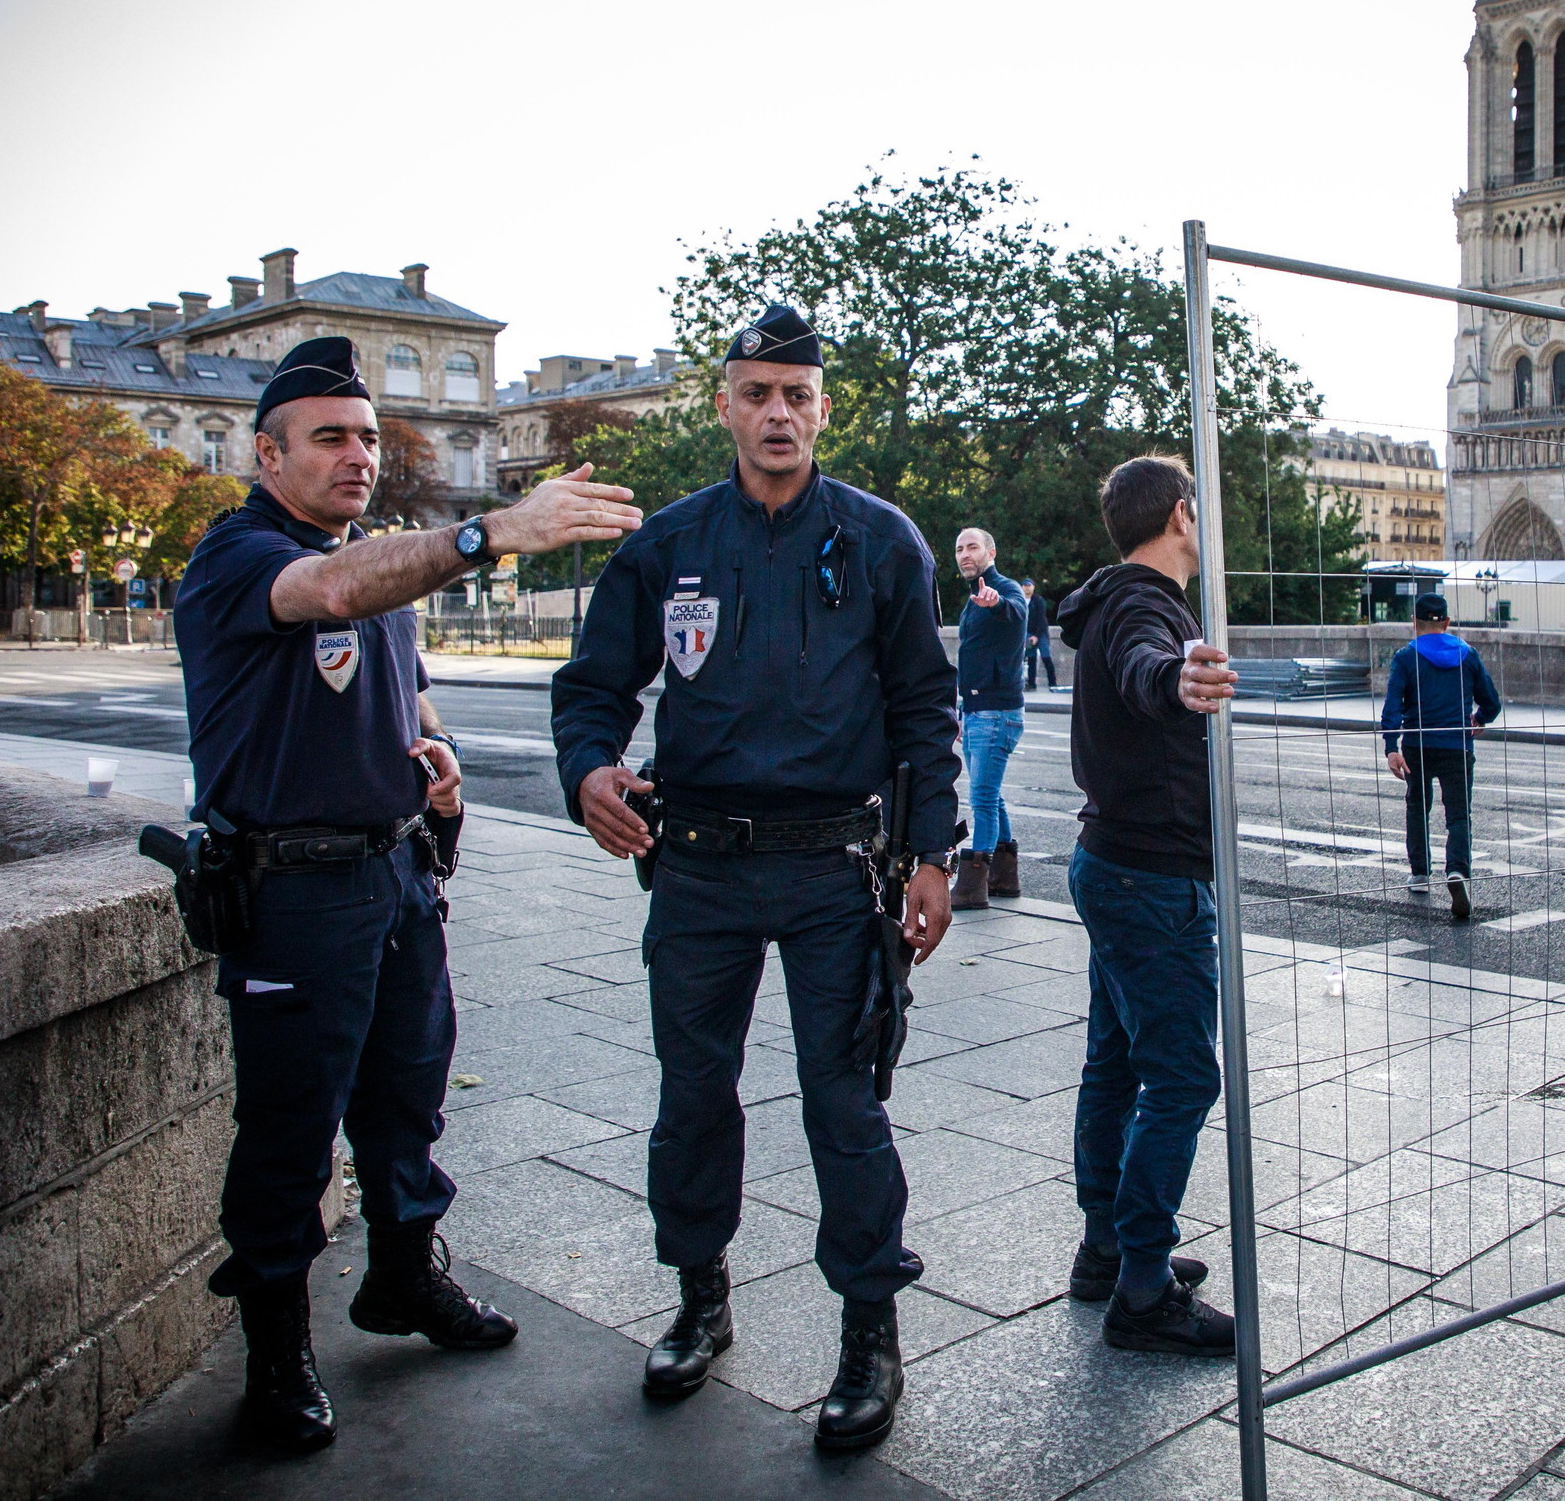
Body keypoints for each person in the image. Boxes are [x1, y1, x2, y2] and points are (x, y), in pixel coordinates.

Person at [175, 334, 642, 1453]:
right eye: (331, 436)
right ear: (267, 450)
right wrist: (486, 533)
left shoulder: (381, 562)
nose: (359, 456)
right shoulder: (240, 555)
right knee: (289, 1128)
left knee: (406, 1099)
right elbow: (328, 591)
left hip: (393, 875)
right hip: (291, 890)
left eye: (371, 437)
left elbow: (401, 683)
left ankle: (402, 1278)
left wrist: (433, 755)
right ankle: (277, 1351)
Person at [550, 302, 959, 1451]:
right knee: (692, 1094)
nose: (777, 412)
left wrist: (934, 851)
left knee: (845, 1102)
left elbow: (928, 707)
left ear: (824, 408)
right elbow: (591, 688)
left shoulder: (882, 540)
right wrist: (587, 770)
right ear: (724, 403)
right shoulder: (669, 544)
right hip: (698, 868)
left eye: (797, 394)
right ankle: (698, 1298)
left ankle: (868, 1331)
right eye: (756, 392)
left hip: (836, 868)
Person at [1053, 454, 1240, 1356]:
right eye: (1198, 508)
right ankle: (1140, 1287)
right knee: (1182, 1077)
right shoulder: (1141, 608)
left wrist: (1167, 676)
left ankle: (1107, 1247)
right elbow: (1145, 667)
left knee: (1116, 1066)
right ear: (1178, 514)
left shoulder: (1114, 599)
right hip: (1152, 879)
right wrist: (1177, 682)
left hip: (1114, 864)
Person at [1380, 592, 1502, 920]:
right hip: (1457, 746)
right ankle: (1458, 871)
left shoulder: (1406, 657)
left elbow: (1392, 705)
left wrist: (1392, 747)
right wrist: (1480, 718)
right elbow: (1491, 700)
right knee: (1459, 815)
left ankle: (1420, 873)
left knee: (1418, 807)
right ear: (1447, 623)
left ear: (1413, 624)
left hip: (1418, 746)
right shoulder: (1468, 655)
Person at [950, 526, 1027, 910]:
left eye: (973, 547)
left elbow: (1016, 612)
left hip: (998, 712)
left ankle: (971, 886)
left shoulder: (1004, 589)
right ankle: (1004, 878)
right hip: (979, 710)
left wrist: (996, 602)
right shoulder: (971, 598)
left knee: (981, 796)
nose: (965, 554)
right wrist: (963, 708)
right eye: (960, 549)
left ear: (990, 551)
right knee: (990, 795)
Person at [1025, 584, 1059, 691]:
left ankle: (1052, 683)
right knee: (1031, 659)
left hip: (1041, 633)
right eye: (1025, 586)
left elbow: (1041, 619)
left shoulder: (1038, 600)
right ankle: (1031, 684)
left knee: (1046, 657)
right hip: (1029, 633)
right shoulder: (1022, 600)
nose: (1027, 588)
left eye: (1029, 586)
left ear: (1033, 587)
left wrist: (1036, 636)